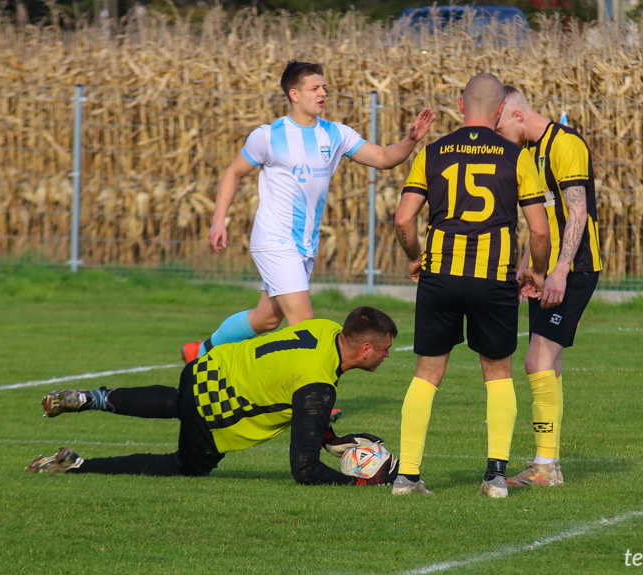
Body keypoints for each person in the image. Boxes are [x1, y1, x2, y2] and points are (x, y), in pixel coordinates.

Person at [181, 60, 435, 363]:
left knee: (267, 319)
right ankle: (314, 400)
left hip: (305, 246)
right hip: (275, 240)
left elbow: (382, 157)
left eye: (324, 87)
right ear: (294, 94)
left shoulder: (336, 134)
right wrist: (218, 221)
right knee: (305, 325)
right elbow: (233, 173)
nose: (322, 93)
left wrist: (410, 140)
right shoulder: (268, 135)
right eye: (314, 88)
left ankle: (200, 351)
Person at [390, 73, 551, 498]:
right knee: (497, 374)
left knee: (427, 372)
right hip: (493, 277)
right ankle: (495, 477)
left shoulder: (432, 152)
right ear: (500, 111)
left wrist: (413, 257)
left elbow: (403, 220)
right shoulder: (517, 157)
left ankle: (407, 477)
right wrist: (535, 272)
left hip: (440, 275)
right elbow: (539, 231)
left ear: (461, 107)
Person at [27, 306, 400, 486]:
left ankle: (91, 397)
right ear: (365, 350)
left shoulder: (325, 328)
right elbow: (303, 470)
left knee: (177, 401)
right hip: (215, 413)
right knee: (185, 466)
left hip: (206, 368)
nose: (386, 357)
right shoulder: (318, 387)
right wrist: (356, 482)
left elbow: (287, 388)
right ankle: (76, 464)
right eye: (384, 350)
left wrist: (329, 438)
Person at [494, 85, 603, 487]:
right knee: (548, 366)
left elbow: (577, 211)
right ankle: (549, 465)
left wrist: (558, 270)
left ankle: (544, 467)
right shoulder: (526, 153)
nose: (498, 133)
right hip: (550, 270)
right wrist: (529, 268)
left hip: (574, 270)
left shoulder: (566, 144)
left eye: (500, 123)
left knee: (536, 362)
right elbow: (540, 223)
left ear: (517, 115)